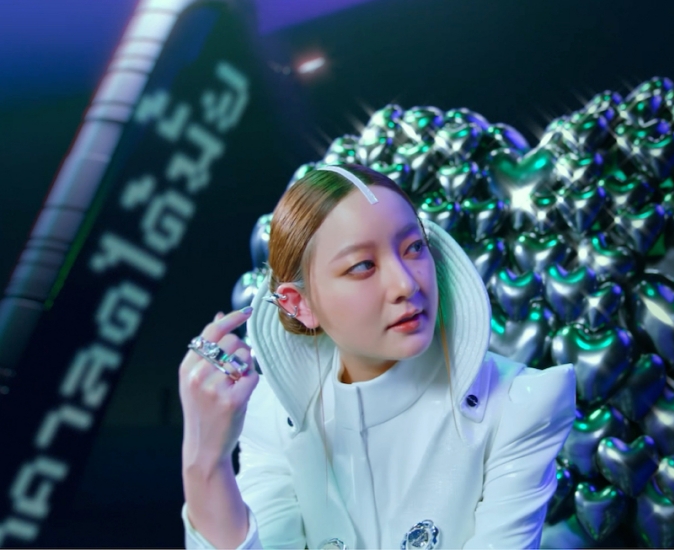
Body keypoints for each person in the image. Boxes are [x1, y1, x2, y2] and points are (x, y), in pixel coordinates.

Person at [178, 163, 576, 549]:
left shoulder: (515, 405)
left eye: (414, 247)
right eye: (363, 265)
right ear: (299, 304)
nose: (406, 284)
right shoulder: (275, 417)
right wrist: (205, 464)